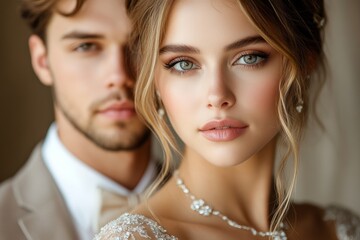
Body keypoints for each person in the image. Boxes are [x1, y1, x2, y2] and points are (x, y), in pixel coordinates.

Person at [95, 0, 360, 239]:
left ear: (304, 63)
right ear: (151, 77)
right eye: (183, 64)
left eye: (248, 58)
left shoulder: (338, 230)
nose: (217, 95)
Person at [0, 0, 161, 239]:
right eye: (86, 46)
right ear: (42, 60)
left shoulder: (225, 213)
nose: (119, 76)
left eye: (142, 44)